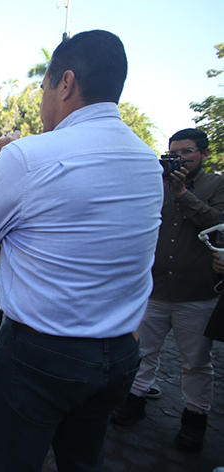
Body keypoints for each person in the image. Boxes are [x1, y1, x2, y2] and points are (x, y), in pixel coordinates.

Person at [0, 30, 163, 471]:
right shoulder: (147, 161)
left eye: (44, 88)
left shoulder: (29, 157)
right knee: (84, 461)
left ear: (65, 83)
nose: (43, 101)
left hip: (40, 356)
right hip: (120, 352)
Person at [111, 128, 224, 452]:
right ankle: (136, 398)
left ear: (203, 153)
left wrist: (182, 193)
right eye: (173, 153)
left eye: (187, 152)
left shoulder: (217, 184)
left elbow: (216, 223)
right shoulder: (156, 184)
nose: (179, 159)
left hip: (197, 291)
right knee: (143, 351)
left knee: (197, 361)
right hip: (156, 287)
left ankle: (194, 418)